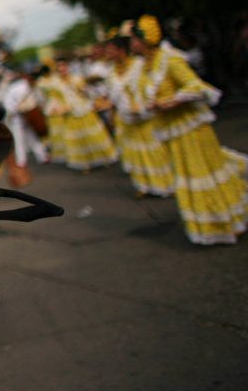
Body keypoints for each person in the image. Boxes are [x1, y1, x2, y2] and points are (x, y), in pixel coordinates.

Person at [130, 15, 248, 245]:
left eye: (134, 39)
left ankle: (228, 221)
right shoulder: (145, 66)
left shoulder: (170, 60)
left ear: (146, 39)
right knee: (189, 179)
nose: (132, 44)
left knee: (205, 174)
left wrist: (173, 100)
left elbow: (198, 87)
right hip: (173, 132)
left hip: (191, 130)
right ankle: (210, 226)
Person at [104, 33, 174, 198]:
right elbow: (113, 98)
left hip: (145, 116)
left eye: (110, 50)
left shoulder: (139, 65)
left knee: (156, 151)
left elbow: (151, 87)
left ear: (121, 50)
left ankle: (166, 185)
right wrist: (112, 114)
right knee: (135, 154)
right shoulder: (111, 73)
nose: (108, 54)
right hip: (126, 119)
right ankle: (143, 185)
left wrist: (142, 104)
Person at [38, 58, 118, 172]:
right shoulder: (55, 84)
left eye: (64, 67)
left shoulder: (77, 79)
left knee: (93, 136)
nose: (62, 70)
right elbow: (54, 99)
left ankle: (104, 159)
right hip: (70, 113)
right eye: (59, 69)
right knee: (77, 140)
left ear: (68, 68)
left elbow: (88, 93)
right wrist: (57, 108)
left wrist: (94, 100)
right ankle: (84, 164)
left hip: (84, 110)